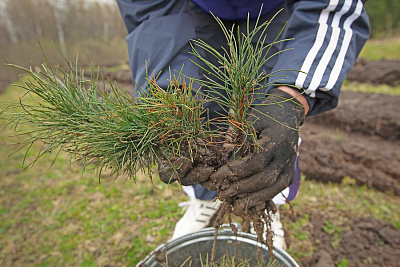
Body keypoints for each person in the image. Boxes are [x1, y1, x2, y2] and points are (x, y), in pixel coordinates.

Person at [116, 0, 370, 250]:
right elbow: (151, 12)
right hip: (195, 8)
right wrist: (171, 96)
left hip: (276, 6)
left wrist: (293, 94)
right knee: (199, 114)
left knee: (270, 123)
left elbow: (333, 7)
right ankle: (207, 200)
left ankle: (262, 207)